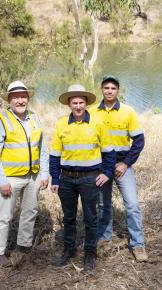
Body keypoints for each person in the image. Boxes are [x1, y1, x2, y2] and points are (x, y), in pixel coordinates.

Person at [49, 84, 116, 272]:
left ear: (86, 104)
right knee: (69, 217)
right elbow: (54, 155)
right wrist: (55, 178)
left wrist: (106, 173)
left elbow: (109, 153)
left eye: (81, 102)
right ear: (69, 104)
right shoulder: (61, 124)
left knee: (90, 218)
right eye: (74, 102)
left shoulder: (97, 123)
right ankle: (69, 250)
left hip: (90, 179)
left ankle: (89, 254)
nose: (78, 106)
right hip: (66, 180)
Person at [0, 80, 49, 267]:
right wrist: (1, 180)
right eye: (16, 97)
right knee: (4, 215)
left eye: (23, 96)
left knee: (30, 211)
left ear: (27, 99)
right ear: (9, 100)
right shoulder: (1, 120)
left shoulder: (35, 117)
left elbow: (42, 148)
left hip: (33, 175)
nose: (20, 101)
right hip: (10, 178)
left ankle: (24, 246)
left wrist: (45, 173)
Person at [90, 75, 148, 262]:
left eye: (113, 88)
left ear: (118, 91)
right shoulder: (92, 112)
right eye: (106, 88)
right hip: (101, 167)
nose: (109, 91)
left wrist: (125, 164)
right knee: (102, 204)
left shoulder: (128, 112)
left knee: (132, 205)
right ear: (101, 89)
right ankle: (104, 237)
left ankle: (138, 244)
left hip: (122, 166)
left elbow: (139, 141)